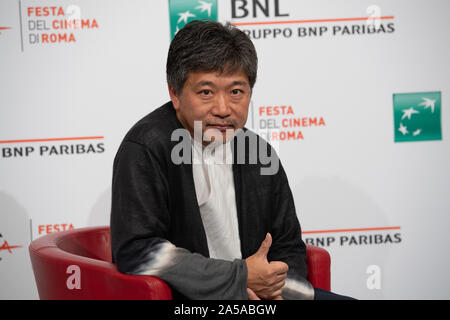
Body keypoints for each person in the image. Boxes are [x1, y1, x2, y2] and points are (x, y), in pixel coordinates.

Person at [110, 20, 353, 300]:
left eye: (236, 91)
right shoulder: (146, 146)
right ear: (175, 94)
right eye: (206, 92)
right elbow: (138, 250)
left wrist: (274, 292)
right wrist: (239, 279)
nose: (224, 109)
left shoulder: (259, 152)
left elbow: (287, 247)